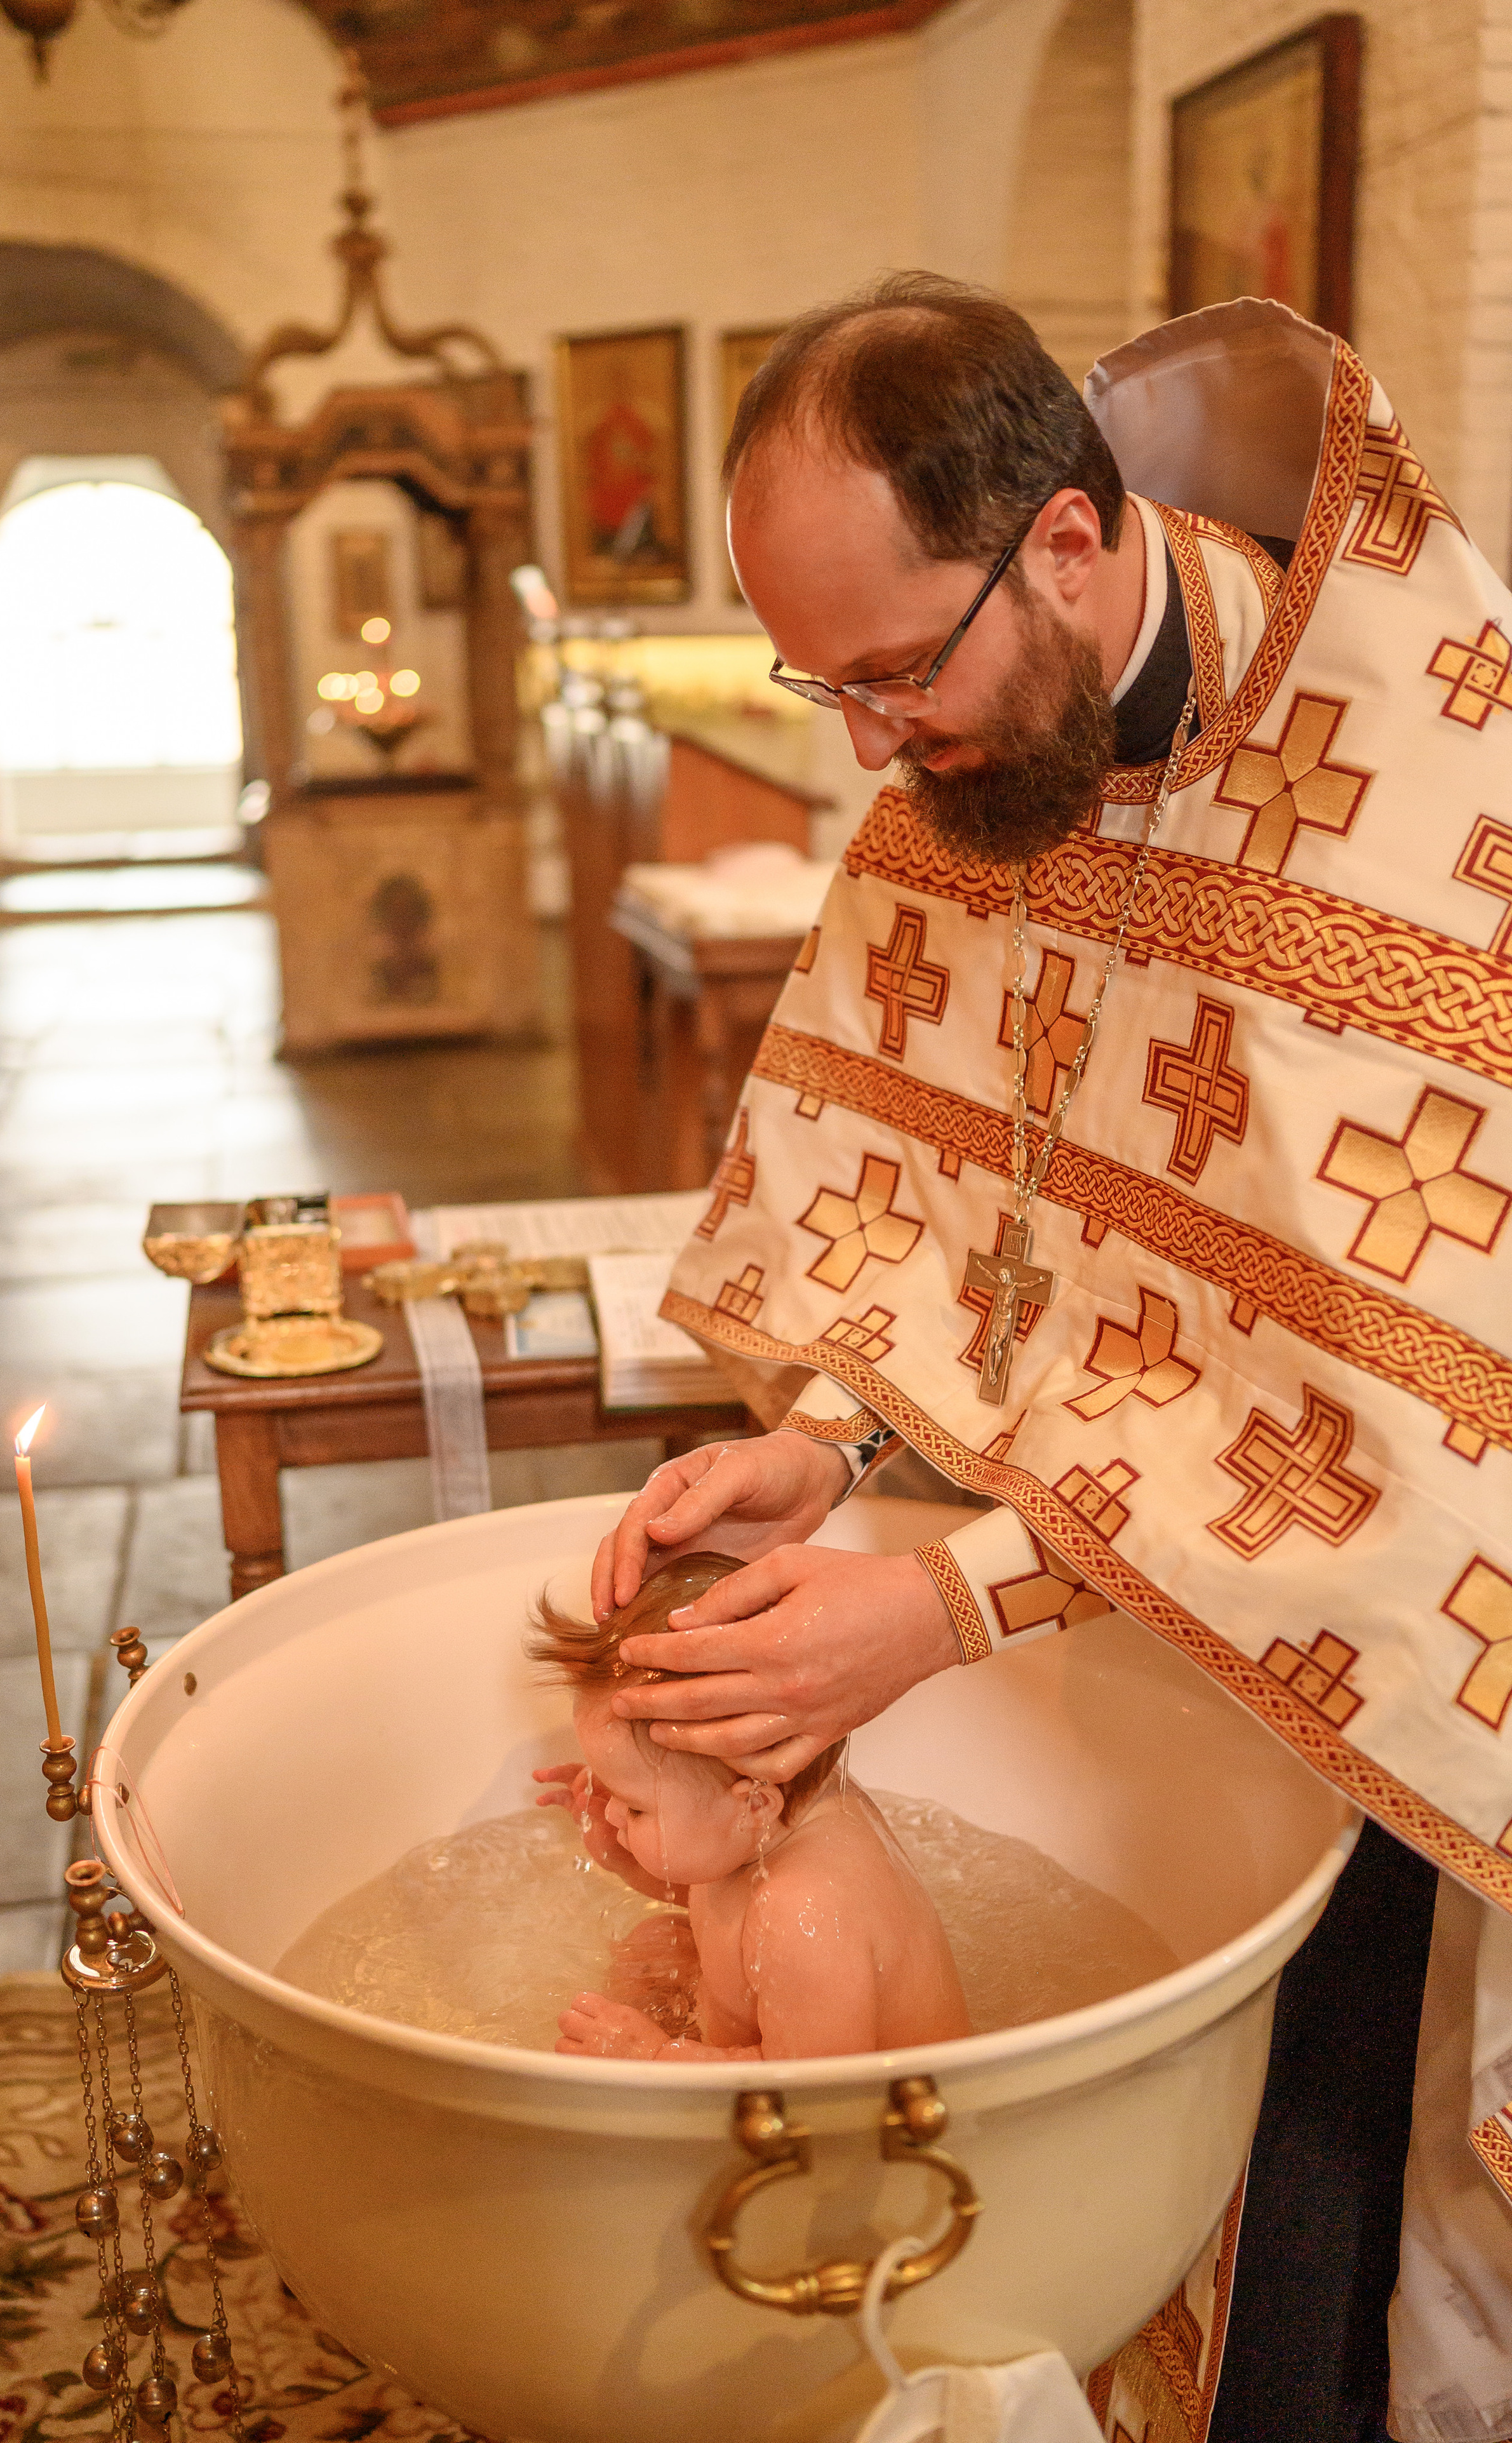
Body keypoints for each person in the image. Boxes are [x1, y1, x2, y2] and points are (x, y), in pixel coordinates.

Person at [590, 277, 1512, 2442]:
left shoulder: (1430, 801)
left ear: (1069, 548)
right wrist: (838, 1440)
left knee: (1313, 2214)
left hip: (1391, 1666)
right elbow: (1005, 1189)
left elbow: (1409, 1412)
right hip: (1112, 1601)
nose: (866, 748)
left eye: (891, 671)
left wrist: (951, 1592)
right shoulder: (998, 733)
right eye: (822, 683)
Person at [531, 1551, 970, 2061]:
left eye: (635, 1808)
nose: (610, 1813)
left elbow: (810, 2094)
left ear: (754, 1804)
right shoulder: (779, 1807)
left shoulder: (802, 1916)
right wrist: (627, 1857)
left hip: (869, 2118)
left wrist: (652, 2057)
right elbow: (720, 1891)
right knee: (658, 1944)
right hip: (794, 2048)